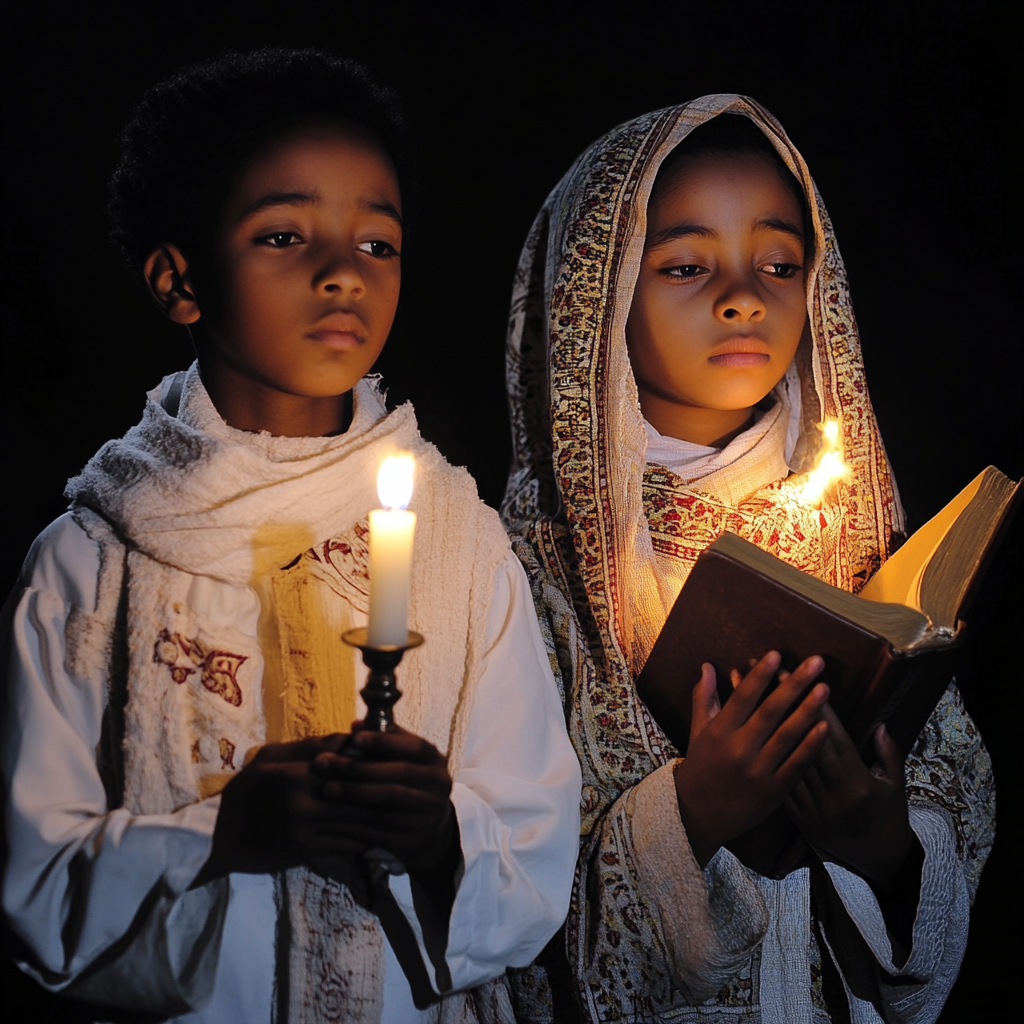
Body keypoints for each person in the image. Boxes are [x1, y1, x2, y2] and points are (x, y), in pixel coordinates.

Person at [1, 49, 581, 1024]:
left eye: (377, 243)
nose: (342, 274)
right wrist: (224, 832)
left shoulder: (455, 542)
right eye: (283, 235)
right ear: (179, 280)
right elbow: (34, 885)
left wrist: (439, 836)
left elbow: (534, 841)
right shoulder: (92, 566)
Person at [501, 96, 995, 1024]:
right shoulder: (537, 565)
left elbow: (953, 784)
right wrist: (694, 810)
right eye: (686, 265)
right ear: (596, 290)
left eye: (778, 262)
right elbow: (510, 891)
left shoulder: (853, 524)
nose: (743, 296)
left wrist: (882, 842)